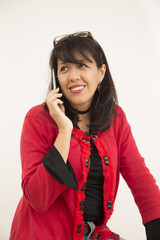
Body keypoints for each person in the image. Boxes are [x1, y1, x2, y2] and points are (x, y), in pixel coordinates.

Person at [10, 31, 160, 240]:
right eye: (64, 68)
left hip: (93, 234)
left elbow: (140, 178)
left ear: (101, 72)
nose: (73, 76)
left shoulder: (115, 118)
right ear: (56, 78)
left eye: (82, 65)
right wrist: (64, 130)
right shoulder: (38, 119)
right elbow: (37, 198)